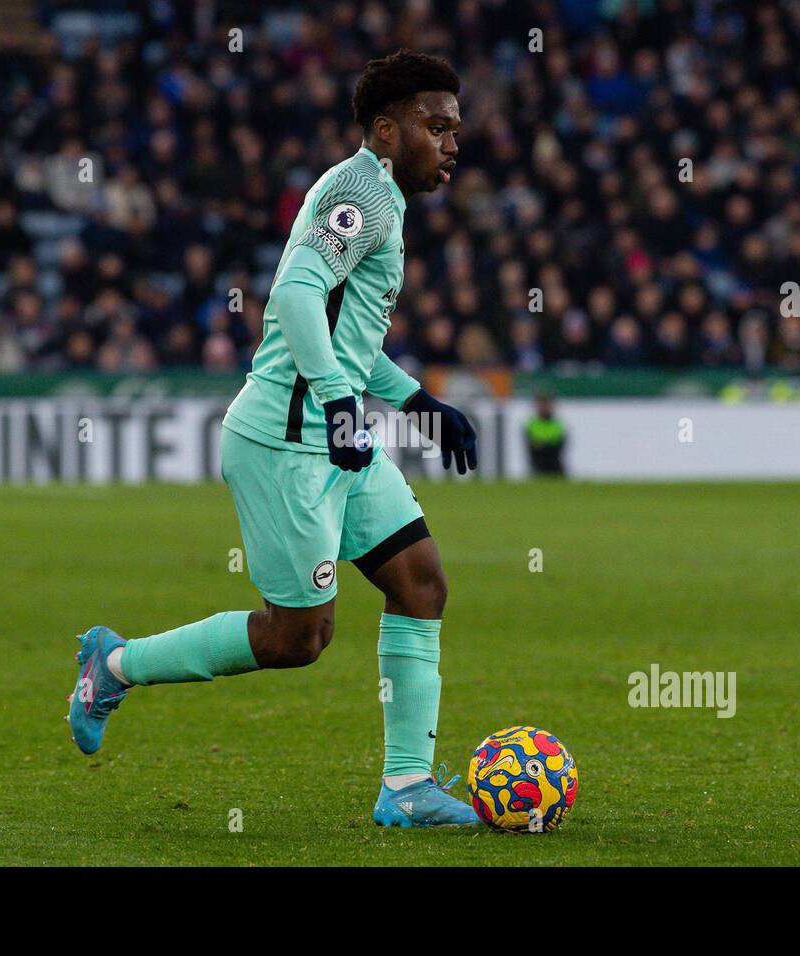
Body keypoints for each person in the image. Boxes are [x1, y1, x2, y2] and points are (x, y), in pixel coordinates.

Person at [65, 50, 481, 828]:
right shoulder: (360, 189)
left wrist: (414, 399)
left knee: (421, 584)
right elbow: (293, 294)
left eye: (456, 128)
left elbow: (346, 340)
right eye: (436, 126)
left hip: (337, 438)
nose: (452, 142)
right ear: (387, 130)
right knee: (298, 639)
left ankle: (406, 789)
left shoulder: (383, 197)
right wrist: (338, 404)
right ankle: (113, 665)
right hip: (288, 445)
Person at [526, 392, 567, 475]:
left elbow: (559, 444)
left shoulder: (557, 424)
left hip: (555, 464)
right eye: (542, 405)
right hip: (538, 465)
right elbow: (532, 445)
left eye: (547, 405)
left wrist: (543, 444)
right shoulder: (532, 424)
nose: (545, 407)